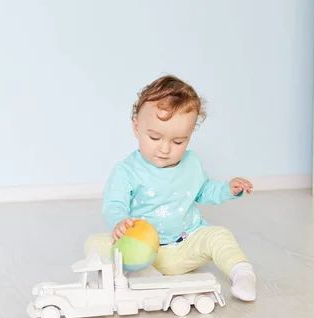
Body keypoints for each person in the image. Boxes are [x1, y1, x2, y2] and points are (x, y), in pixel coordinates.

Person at [101, 75, 256, 301]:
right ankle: (145, 275)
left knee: (220, 235)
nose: (165, 149)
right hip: (145, 251)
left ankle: (242, 273)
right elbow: (114, 204)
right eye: (154, 137)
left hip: (186, 244)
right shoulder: (126, 171)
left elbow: (204, 191)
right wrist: (119, 222)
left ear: (189, 137)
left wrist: (229, 189)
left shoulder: (191, 163)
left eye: (178, 142)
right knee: (97, 245)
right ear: (136, 127)